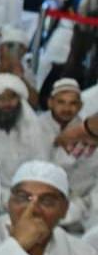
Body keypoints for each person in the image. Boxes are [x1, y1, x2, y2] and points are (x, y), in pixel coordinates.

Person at [0, 73, 50, 199]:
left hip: (30, 194)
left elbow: (41, 163)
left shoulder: (34, 126)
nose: (7, 103)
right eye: (0, 99)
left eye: (12, 98)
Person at [36, 78, 98, 224]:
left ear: (81, 106)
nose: (67, 108)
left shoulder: (89, 131)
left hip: (82, 200)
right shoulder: (35, 127)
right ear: (50, 102)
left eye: (73, 103)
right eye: (61, 102)